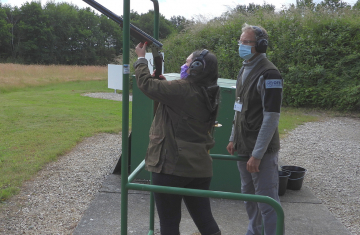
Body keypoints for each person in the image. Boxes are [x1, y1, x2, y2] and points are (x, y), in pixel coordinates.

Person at [134, 42, 221, 235]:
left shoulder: (182, 89)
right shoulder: (211, 91)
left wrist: (141, 59)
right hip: (199, 167)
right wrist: (164, 86)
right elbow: (178, 103)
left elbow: (146, 84)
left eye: (188, 62)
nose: (185, 65)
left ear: (197, 67)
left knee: (170, 223)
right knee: (205, 220)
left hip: (171, 166)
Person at [226, 24, 284, 235]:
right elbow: (238, 107)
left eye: (246, 42)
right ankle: (254, 232)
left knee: (267, 201)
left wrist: (257, 155)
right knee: (249, 196)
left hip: (261, 152)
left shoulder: (270, 74)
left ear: (260, 45)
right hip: (243, 145)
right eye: (240, 41)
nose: (241, 45)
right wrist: (233, 137)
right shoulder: (244, 68)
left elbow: (271, 117)